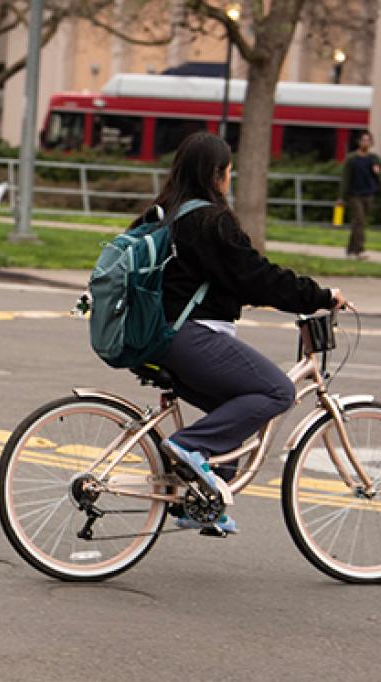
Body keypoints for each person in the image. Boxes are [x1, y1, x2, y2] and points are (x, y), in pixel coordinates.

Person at [135, 132, 349, 535]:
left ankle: (199, 502)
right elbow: (257, 278)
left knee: (242, 406)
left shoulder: (167, 213)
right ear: (217, 174)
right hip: (192, 337)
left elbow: (223, 279)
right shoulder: (210, 221)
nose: (229, 178)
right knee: (276, 393)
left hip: (162, 338)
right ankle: (189, 447)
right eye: (228, 171)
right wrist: (320, 295)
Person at [338, 130, 379, 261]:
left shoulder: (374, 159)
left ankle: (351, 250)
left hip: (368, 194)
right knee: (359, 221)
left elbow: (378, 178)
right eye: (364, 140)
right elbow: (345, 179)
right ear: (359, 142)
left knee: (359, 223)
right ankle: (360, 250)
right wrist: (341, 197)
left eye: (368, 140)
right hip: (354, 194)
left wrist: (377, 173)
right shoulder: (352, 159)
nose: (366, 142)